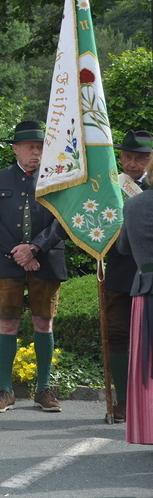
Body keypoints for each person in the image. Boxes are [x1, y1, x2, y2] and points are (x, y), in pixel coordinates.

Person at [0, 121, 67, 414]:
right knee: (8, 323)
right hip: (8, 262)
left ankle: (44, 388)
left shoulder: (56, 178)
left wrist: (35, 248)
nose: (36, 152)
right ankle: (5, 390)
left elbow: (62, 220)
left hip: (47, 259)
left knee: (44, 322)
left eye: (41, 147)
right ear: (15, 149)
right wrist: (19, 252)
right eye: (30, 147)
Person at [104, 129, 151, 422]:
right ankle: (122, 399)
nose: (133, 164)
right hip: (120, 271)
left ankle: (145, 400)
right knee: (118, 335)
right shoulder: (108, 186)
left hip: (146, 272)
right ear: (120, 157)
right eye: (128, 157)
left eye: (141, 159)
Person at [116, 153, 153, 445]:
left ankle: (148, 429)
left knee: (146, 364)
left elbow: (123, 247)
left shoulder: (134, 204)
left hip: (145, 288)